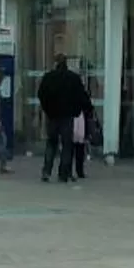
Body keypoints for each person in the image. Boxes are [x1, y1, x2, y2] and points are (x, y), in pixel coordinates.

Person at [37, 55, 91, 183]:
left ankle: (46, 171)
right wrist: (80, 110)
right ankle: (63, 173)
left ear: (56, 63)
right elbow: (81, 96)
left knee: (51, 143)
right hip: (67, 116)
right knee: (67, 145)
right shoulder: (73, 78)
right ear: (66, 63)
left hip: (52, 115)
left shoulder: (48, 77)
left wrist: (47, 109)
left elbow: (41, 94)